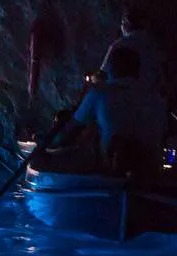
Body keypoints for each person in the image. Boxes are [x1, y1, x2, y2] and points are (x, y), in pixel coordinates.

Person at [53, 46, 167, 175]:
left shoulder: (100, 92)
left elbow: (73, 129)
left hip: (112, 172)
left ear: (111, 69)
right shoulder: (155, 97)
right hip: (151, 171)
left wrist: (51, 145)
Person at [100, 7, 173, 105]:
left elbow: (103, 73)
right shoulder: (155, 44)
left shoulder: (119, 45)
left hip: (125, 102)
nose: (121, 27)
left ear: (127, 22)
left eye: (122, 23)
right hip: (153, 102)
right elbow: (164, 72)